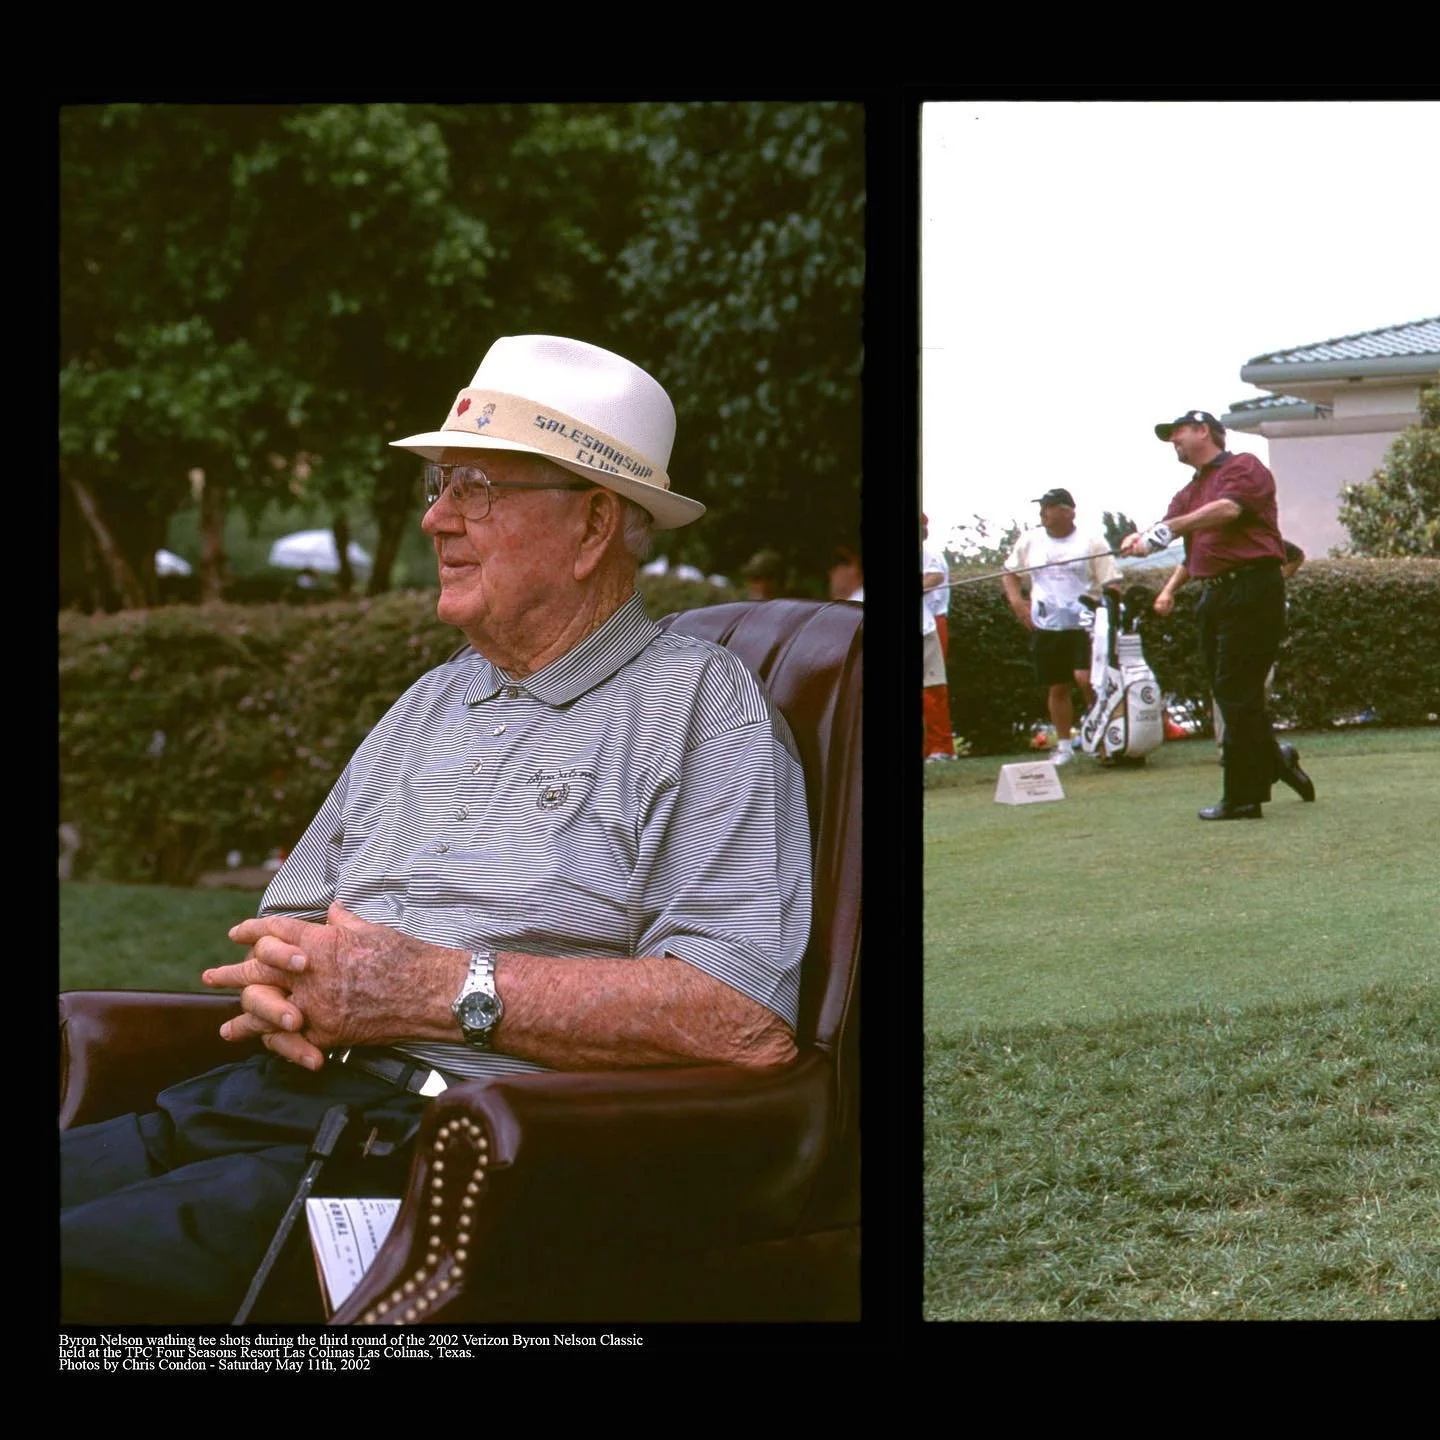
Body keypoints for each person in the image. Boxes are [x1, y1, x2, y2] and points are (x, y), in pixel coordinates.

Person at [60, 333, 814, 1322]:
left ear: (593, 525)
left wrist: (438, 990)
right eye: (439, 485)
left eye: (476, 489)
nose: (435, 518)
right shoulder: (431, 698)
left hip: (445, 1150)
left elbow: (741, 1020)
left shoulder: (701, 709)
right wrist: (289, 979)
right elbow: (295, 916)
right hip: (255, 1103)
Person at [1122, 409, 1315, 819]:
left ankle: (1244, 797)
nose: (1173, 440)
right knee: (1228, 692)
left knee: (1235, 689)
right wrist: (1140, 539)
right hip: (1213, 595)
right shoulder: (1190, 490)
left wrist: (1170, 528)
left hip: (1252, 587)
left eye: (1177, 433)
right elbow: (1170, 528)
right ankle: (1276, 759)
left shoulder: (1243, 467)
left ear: (1203, 431)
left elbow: (1228, 510)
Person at [1155, 537, 1308, 760]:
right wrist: (1168, 591)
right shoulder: (1208, 537)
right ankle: (1230, 750)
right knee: (1224, 680)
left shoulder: (1257, 536)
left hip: (1255, 609)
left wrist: (1272, 583)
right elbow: (1190, 562)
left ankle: (1254, 746)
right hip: (1218, 607)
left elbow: (1295, 556)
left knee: (1257, 682)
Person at [1001, 488, 1123, 766]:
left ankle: (1103, 738)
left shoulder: (1091, 541)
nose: (1043, 513)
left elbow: (1112, 581)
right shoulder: (1030, 540)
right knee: (1057, 686)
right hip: (1047, 624)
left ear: (1068, 511)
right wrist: (1017, 602)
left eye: (1050, 507)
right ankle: (1065, 746)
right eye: (1042, 507)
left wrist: (1110, 616)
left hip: (1085, 622)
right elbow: (1009, 573)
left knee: (1087, 679)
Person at [921, 514, 955, 762]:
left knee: (933, 690)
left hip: (931, 623)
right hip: (927, 622)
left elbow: (934, 578)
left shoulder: (929, 554)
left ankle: (941, 747)